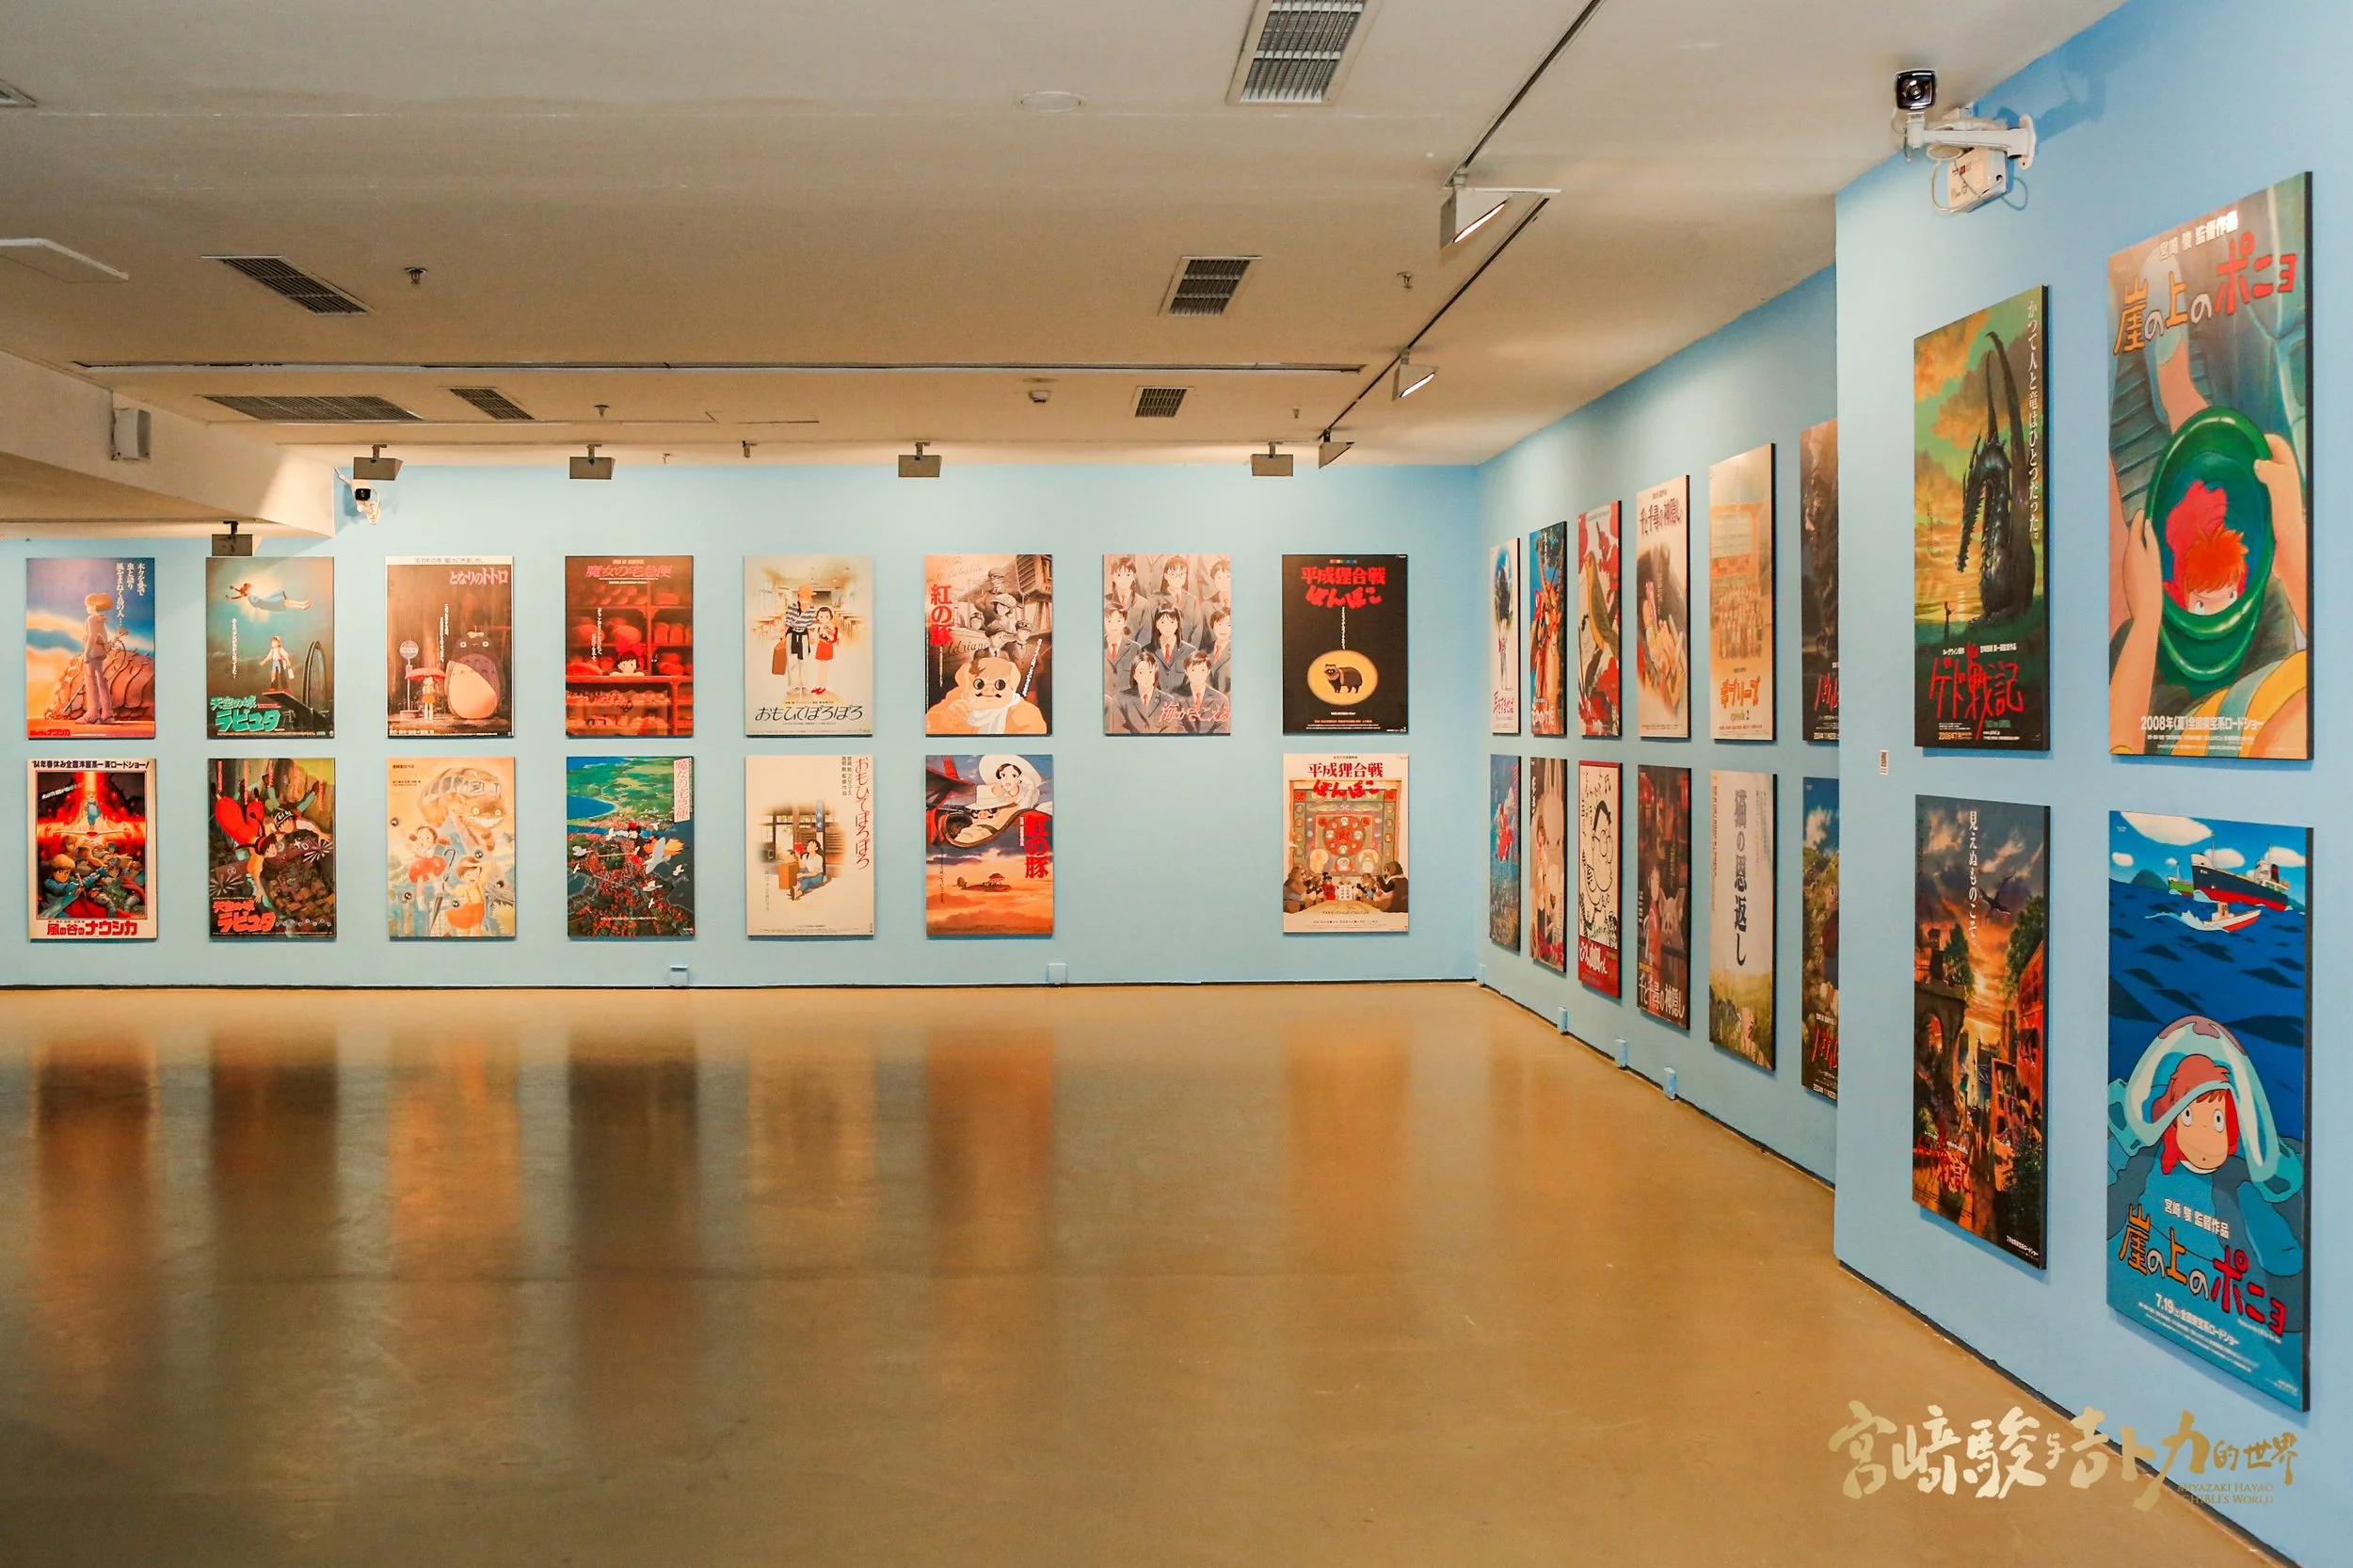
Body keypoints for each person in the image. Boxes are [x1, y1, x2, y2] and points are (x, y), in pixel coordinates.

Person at [1114, 649, 1183, 735]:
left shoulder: (1168, 700)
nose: (1146, 676)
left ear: (1155, 674)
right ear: (1135, 675)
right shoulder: (1120, 699)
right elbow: (1119, 729)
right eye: (1141, 672)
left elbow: (1171, 729)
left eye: (1150, 672)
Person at [78, 591, 117, 725]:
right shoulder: (100, 620)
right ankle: (107, 715)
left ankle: (92, 714)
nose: (87, 608)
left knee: (90, 682)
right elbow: (104, 638)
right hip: (100, 654)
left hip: (92, 654)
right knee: (101, 681)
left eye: (88, 606)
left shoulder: (91, 619)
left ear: (93, 606)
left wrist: (86, 654)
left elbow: (92, 637)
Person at [1176, 648, 1229, 734]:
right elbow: (1177, 728)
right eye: (1193, 670)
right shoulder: (1177, 698)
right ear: (1186, 672)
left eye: (1202, 670)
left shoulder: (1221, 699)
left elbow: (1222, 729)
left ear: (1208, 672)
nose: (1198, 675)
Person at [810, 605, 840, 696]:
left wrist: (826, 633)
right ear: (818, 617)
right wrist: (813, 636)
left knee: (824, 668)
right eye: (821, 616)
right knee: (820, 668)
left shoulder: (832, 628)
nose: (824, 619)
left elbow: (833, 639)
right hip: (820, 647)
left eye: (826, 616)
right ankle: (819, 685)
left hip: (827, 647)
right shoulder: (818, 627)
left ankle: (823, 686)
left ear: (830, 617)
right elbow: (815, 640)